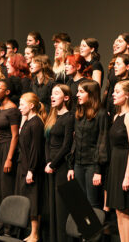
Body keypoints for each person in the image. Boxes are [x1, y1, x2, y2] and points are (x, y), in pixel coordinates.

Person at [106, 80, 129, 242]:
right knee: (118, 210)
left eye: (117, 91)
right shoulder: (117, 115)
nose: (113, 94)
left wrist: (127, 175)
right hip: (115, 163)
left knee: (126, 210)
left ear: (128, 95)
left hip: (125, 165)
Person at [67, 80, 109, 208]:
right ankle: (82, 228)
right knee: (80, 202)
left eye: (81, 92)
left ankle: (95, 229)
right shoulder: (79, 113)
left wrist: (97, 170)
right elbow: (76, 140)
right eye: (78, 91)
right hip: (78, 164)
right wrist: (71, 166)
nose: (77, 95)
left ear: (91, 94)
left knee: (93, 203)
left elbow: (102, 143)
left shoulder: (101, 114)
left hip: (92, 165)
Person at [0, 79, 21, 237]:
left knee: (7, 189)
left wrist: (9, 159)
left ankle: (9, 229)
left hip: (8, 148)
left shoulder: (13, 110)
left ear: (7, 92)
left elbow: (15, 136)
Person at [44, 84, 74, 242]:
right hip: (51, 165)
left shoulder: (69, 117)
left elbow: (67, 145)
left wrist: (53, 163)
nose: (52, 96)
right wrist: (48, 161)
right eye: (51, 94)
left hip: (61, 165)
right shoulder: (52, 116)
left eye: (57, 93)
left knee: (62, 207)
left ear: (66, 98)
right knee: (52, 206)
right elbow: (47, 142)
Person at [15, 92, 46, 242]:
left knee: (34, 202)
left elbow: (36, 149)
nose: (19, 107)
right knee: (27, 200)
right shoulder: (28, 121)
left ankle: (35, 234)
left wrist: (31, 170)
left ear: (32, 106)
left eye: (22, 104)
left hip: (32, 169)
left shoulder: (36, 123)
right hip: (24, 166)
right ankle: (30, 233)